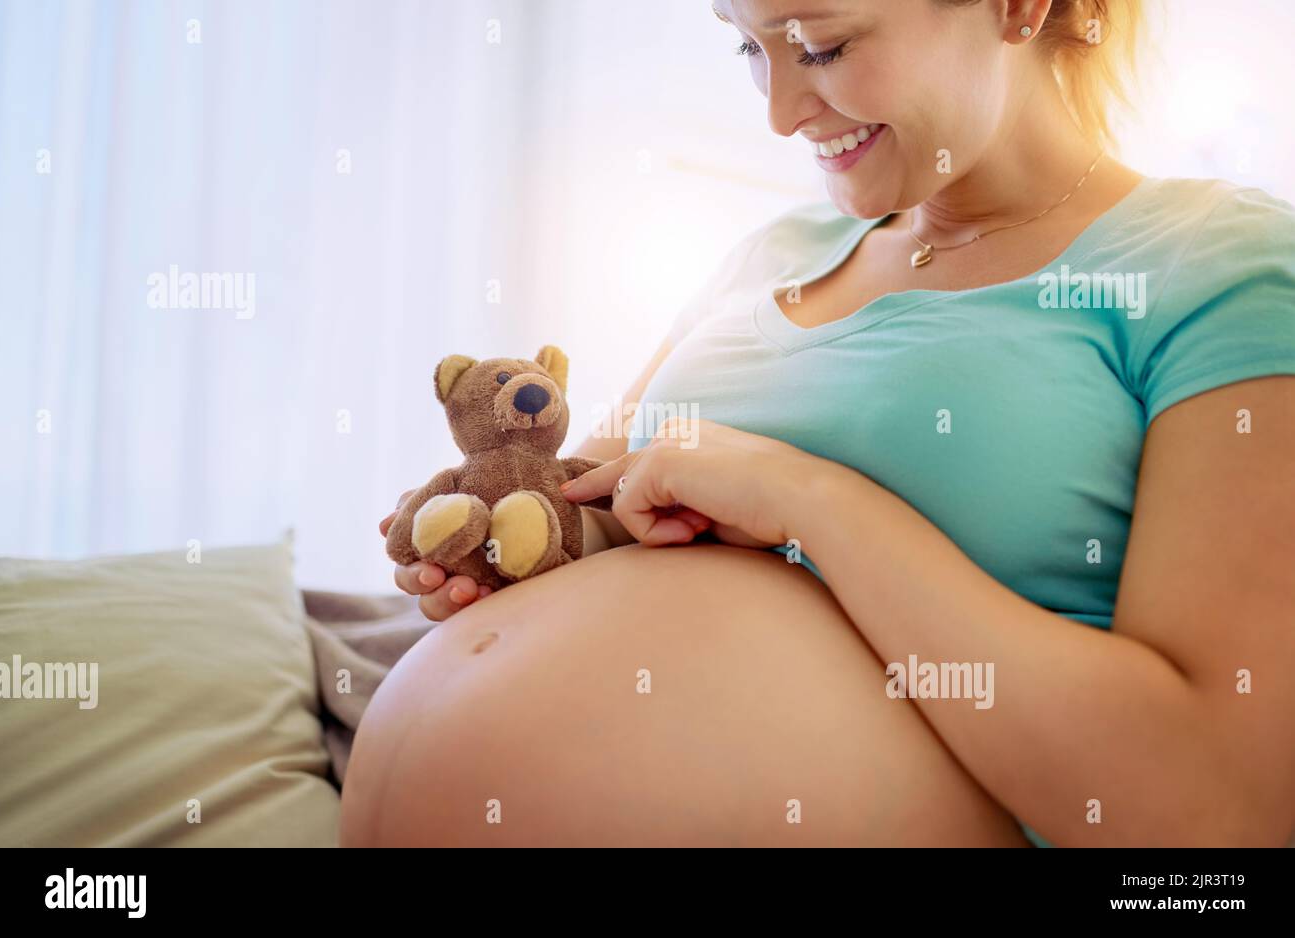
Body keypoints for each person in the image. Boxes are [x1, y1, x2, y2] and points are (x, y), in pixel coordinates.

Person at [341, 0, 1295, 847]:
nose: (779, 112)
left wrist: (807, 498)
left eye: (823, 47)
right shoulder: (771, 255)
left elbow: (1216, 811)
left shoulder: (1217, 266)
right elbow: (598, 500)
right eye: (749, 49)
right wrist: (505, 530)